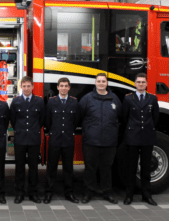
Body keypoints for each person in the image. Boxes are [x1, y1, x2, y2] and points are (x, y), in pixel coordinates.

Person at [79, 73, 121, 204]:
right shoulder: (87, 99)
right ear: (95, 83)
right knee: (90, 168)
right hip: (91, 141)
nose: (101, 83)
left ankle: (107, 192)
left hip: (109, 141)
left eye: (104, 81)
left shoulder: (115, 99)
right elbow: (79, 117)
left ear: (107, 83)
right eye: (99, 81)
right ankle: (88, 192)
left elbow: (121, 117)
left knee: (106, 168)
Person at [122, 73, 159, 206]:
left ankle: (147, 195)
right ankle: (129, 195)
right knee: (131, 168)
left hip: (147, 137)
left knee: (146, 168)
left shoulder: (152, 99)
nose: (141, 84)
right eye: (139, 82)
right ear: (135, 83)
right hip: (132, 137)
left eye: (143, 82)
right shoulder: (128, 99)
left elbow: (155, 118)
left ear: (147, 84)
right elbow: (125, 117)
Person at [44, 77, 80, 204]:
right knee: (51, 167)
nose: (64, 88)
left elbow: (76, 121)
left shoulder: (74, 102)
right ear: (57, 87)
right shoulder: (51, 102)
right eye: (61, 86)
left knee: (68, 168)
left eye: (66, 86)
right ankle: (49, 193)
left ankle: (69, 193)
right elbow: (48, 121)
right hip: (55, 139)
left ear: (69, 88)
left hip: (68, 140)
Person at [10, 76, 45, 204]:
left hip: (34, 139)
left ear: (32, 87)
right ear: (21, 87)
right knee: (19, 168)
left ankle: (33, 193)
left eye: (28, 86)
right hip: (20, 139)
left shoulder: (39, 101)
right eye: (24, 86)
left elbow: (41, 119)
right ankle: (19, 193)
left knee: (33, 168)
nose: (26, 88)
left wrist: (34, 129)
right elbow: (13, 120)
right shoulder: (16, 101)